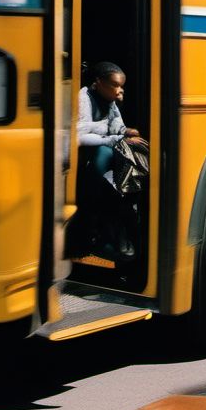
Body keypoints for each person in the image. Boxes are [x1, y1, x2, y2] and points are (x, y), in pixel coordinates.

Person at [68, 61, 145, 261]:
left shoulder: (110, 100)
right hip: (83, 155)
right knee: (104, 155)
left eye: (121, 86)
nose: (119, 90)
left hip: (102, 151)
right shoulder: (84, 97)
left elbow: (117, 125)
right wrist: (114, 137)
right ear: (98, 82)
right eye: (115, 85)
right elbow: (80, 134)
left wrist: (125, 132)